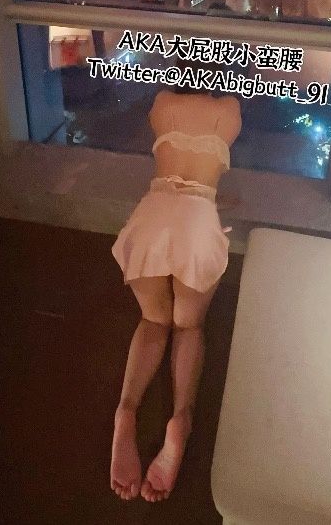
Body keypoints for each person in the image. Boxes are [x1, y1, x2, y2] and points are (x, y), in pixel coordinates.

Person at [110, 84, 242, 502]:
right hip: (197, 217)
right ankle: (180, 419)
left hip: (154, 212)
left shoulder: (161, 104)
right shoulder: (230, 108)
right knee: (188, 326)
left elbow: (175, 163)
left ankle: (125, 413)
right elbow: (206, 173)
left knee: (153, 319)